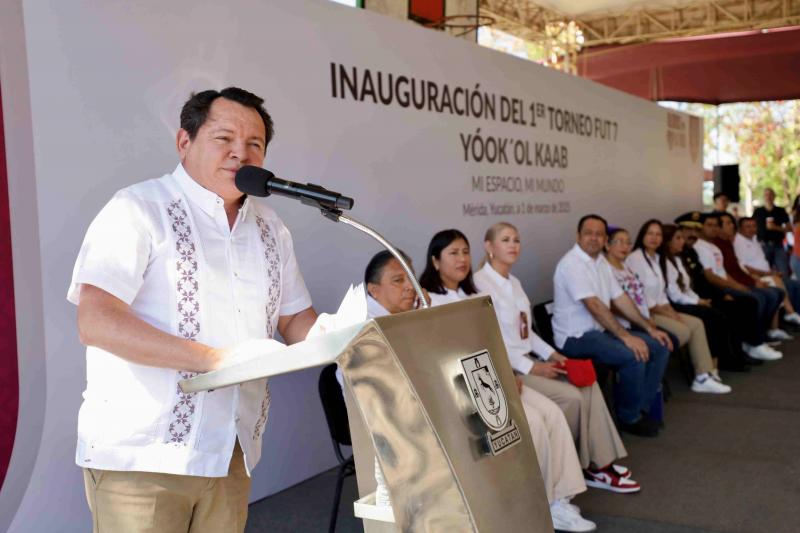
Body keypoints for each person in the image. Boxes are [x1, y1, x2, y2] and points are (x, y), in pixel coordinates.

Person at [68, 88, 318, 533]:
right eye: (224, 139)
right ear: (185, 142)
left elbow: (296, 319)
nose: (240, 153)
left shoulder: (270, 227)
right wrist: (213, 361)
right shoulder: (138, 209)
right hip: (143, 455)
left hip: (230, 450)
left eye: (254, 144)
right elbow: (96, 320)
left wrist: (352, 340)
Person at [385, 247, 598, 532]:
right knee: (531, 423)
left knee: (553, 414)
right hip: (461, 386)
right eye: (453, 253)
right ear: (435, 261)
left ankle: (560, 499)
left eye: (465, 252)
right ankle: (539, 501)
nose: (462, 259)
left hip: (488, 374)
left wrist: (507, 370)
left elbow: (491, 341)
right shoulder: (426, 302)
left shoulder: (473, 297)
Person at [467, 223, 635, 494]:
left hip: (529, 360)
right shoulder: (480, 285)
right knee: (572, 396)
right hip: (510, 368)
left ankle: (598, 463)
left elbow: (527, 332)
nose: (513, 245)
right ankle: (561, 465)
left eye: (517, 240)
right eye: (505, 240)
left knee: (588, 382)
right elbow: (489, 340)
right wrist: (532, 366)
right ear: (489, 247)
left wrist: (556, 356)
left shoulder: (514, 282)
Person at [552, 215, 671, 437]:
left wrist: (648, 328)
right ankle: (629, 417)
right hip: (575, 338)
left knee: (659, 345)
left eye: (599, 234)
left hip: (599, 332)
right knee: (632, 354)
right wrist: (626, 336)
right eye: (589, 233)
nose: (594, 238)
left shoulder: (600, 263)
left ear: (605, 239)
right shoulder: (572, 264)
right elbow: (594, 306)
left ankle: (640, 407)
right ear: (578, 236)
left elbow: (621, 299)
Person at [606, 224, 730, 393]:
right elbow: (635, 301)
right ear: (608, 245)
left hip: (652, 310)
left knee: (696, 324)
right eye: (650, 233)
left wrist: (670, 310)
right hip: (643, 315)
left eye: (627, 242)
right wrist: (657, 315)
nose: (654, 238)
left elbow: (660, 291)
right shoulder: (631, 260)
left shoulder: (650, 260)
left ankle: (703, 375)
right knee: (685, 330)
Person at [659, 224, 751, 372]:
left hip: (690, 299)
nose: (683, 240)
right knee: (714, 316)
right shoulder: (663, 261)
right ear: (668, 241)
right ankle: (714, 364)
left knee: (734, 308)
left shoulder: (679, 257)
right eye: (678, 238)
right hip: (676, 304)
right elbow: (674, 294)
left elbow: (688, 287)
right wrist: (698, 301)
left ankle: (735, 355)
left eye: (683, 237)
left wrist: (699, 300)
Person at [693, 213, 784, 361]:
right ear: (700, 228)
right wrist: (737, 286)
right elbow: (711, 277)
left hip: (729, 283)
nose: (714, 228)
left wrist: (740, 285)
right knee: (755, 299)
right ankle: (753, 342)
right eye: (709, 225)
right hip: (717, 288)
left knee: (775, 293)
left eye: (716, 225)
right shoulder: (700, 247)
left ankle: (756, 339)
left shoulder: (714, 246)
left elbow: (725, 272)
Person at [714, 213, 791, 342]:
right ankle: (756, 340)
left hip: (746, 279)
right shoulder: (722, 245)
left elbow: (738, 268)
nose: (731, 225)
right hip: (731, 284)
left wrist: (755, 280)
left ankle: (769, 331)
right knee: (765, 294)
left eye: (731, 222)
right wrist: (751, 282)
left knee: (779, 290)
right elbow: (727, 273)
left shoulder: (728, 242)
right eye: (727, 223)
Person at [733, 216, 800, 324]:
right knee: (777, 283)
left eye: (754, 226)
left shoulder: (754, 238)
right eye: (748, 227)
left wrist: (771, 271)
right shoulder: (739, 242)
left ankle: (793, 318)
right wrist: (768, 273)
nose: (752, 229)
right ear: (740, 229)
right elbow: (745, 267)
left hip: (767, 273)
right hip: (756, 276)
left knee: (795, 285)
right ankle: (790, 313)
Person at [752, 187, 791, 276]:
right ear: (763, 197)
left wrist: (776, 227)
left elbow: (789, 228)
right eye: (766, 195)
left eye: (770, 195)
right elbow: (752, 226)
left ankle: (784, 289)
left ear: (774, 196)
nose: (768, 197)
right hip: (762, 245)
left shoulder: (780, 211)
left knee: (783, 271)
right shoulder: (758, 211)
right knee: (764, 272)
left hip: (778, 245)